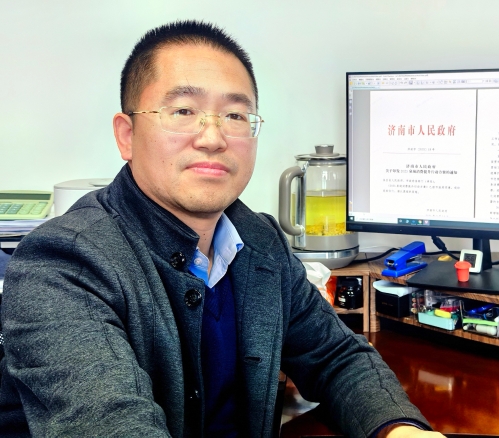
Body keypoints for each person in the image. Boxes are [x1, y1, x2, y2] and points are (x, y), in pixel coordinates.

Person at [0, 21, 446, 438]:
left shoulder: (258, 240)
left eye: (235, 116)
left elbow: (335, 358)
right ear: (127, 135)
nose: (213, 138)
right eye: (183, 110)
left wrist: (399, 429)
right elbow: (111, 423)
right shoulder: (61, 264)